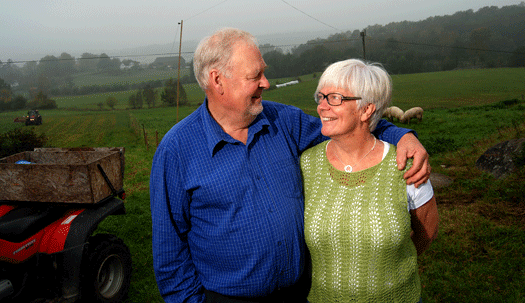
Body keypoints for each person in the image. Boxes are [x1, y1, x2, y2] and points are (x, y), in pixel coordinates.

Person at [150, 28, 430, 303]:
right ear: (217, 80)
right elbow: (169, 253)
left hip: (300, 293)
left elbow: (350, 125)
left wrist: (403, 135)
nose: (266, 83)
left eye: (264, 72)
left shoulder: (283, 121)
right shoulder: (177, 150)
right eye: (255, 75)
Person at [300, 59, 439, 303]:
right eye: (320, 96)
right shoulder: (306, 164)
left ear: (366, 110)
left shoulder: (406, 166)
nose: (321, 107)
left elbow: (427, 231)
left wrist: (391, 269)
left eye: (334, 98)